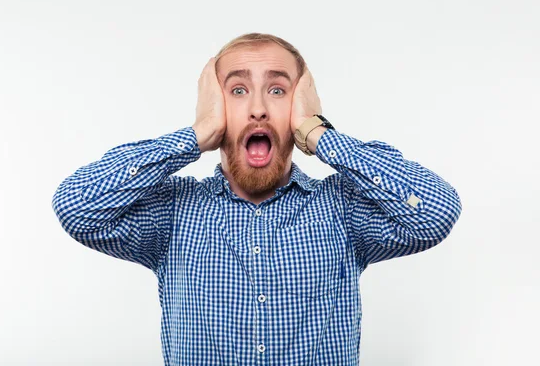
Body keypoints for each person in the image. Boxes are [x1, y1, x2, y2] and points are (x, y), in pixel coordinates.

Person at [52, 32, 462, 365]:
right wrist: (197, 134)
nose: (259, 109)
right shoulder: (172, 212)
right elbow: (76, 205)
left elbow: (436, 210)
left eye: (279, 91)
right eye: (238, 90)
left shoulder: (342, 208)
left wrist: (319, 134)